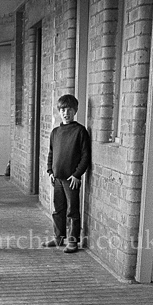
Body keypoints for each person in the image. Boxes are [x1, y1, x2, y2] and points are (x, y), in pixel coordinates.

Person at [42, 94, 91, 254]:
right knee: (58, 209)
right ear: (59, 112)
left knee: (72, 211)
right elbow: (51, 153)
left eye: (69, 109)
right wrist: (50, 171)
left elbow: (85, 156)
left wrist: (77, 174)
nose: (66, 113)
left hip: (71, 179)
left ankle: (73, 241)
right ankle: (58, 237)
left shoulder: (80, 131)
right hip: (57, 178)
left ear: (75, 111)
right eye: (63, 110)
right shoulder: (55, 132)